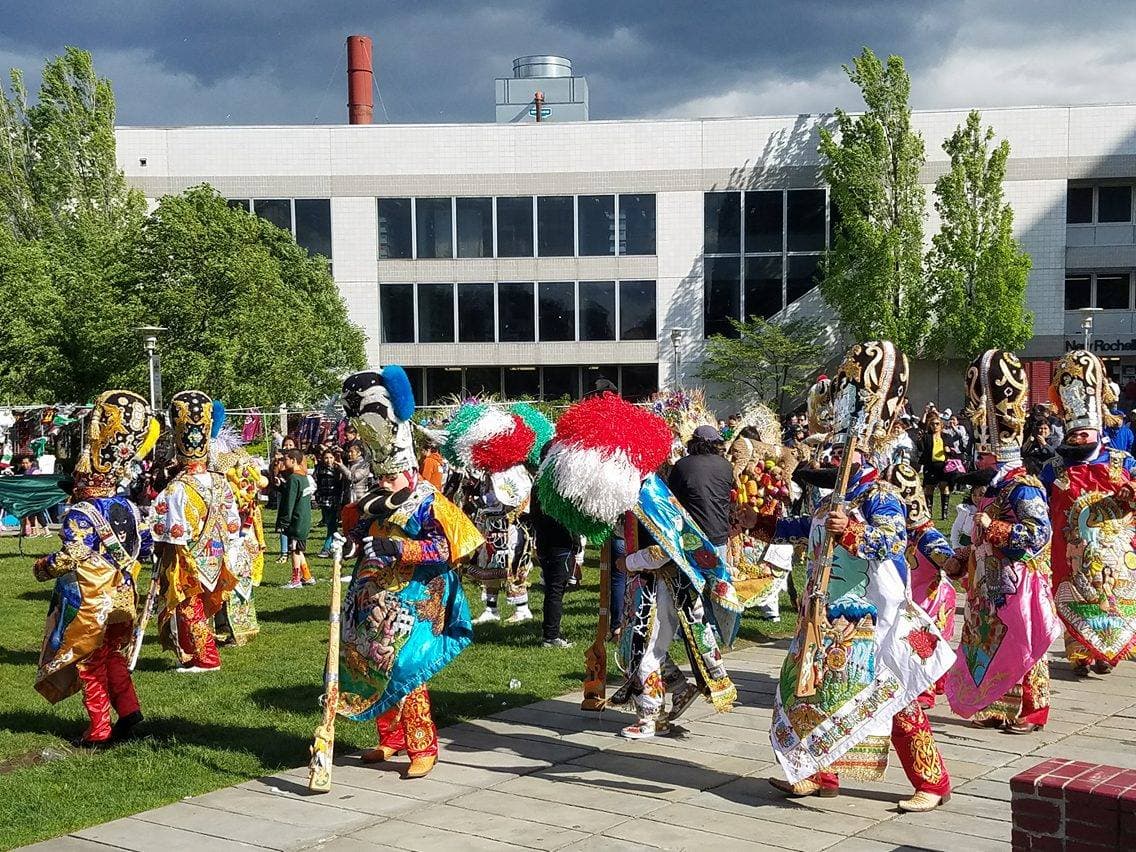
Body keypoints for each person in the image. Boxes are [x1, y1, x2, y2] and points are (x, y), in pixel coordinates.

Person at [763, 342, 954, 813]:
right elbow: (807, 532)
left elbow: (890, 541)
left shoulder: (881, 494)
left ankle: (932, 781)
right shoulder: (832, 497)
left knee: (895, 696)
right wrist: (763, 524)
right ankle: (815, 771)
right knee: (812, 692)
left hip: (875, 616)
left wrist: (852, 530)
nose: (829, 456)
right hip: (825, 615)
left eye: (837, 450)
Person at [336, 367, 484, 779]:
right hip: (370, 600)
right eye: (380, 475)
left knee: (405, 668)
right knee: (369, 664)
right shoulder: (373, 501)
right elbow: (358, 535)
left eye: (390, 474)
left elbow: (449, 547)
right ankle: (392, 739)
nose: (384, 480)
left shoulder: (426, 501)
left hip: (413, 601)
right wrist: (347, 545)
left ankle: (423, 744)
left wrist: (399, 547)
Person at [32, 391, 157, 746]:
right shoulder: (131, 509)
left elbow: (71, 555)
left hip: (92, 601)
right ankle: (130, 712)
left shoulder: (79, 513)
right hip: (124, 596)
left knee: (89, 664)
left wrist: (43, 568)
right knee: (112, 656)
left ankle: (99, 729)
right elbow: (145, 547)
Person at [944, 350, 1059, 733]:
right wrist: (963, 552)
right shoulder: (988, 489)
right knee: (986, 642)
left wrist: (994, 529)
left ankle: (1031, 709)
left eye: (986, 453)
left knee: (1023, 641)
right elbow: (979, 530)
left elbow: (1038, 535)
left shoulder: (1023, 488)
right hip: (987, 582)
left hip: (1018, 583)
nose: (980, 458)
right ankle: (996, 704)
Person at [1041, 350, 1136, 677]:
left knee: (1108, 596)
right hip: (1071, 552)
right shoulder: (1053, 467)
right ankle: (1080, 651)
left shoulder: (1122, 461)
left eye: (1084, 433)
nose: (1079, 438)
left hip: (1112, 552)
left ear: (1097, 430)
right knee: (1074, 593)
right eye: (1074, 434)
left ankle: (1108, 650)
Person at [152, 392, 242, 673]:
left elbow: (170, 529)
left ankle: (207, 658)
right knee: (198, 603)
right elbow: (233, 522)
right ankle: (192, 655)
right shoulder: (219, 481)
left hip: (186, 555)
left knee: (189, 605)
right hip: (216, 553)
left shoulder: (178, 487)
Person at [886, 463, 957, 708]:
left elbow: (946, 557)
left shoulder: (926, 535)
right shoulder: (893, 532)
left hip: (931, 599)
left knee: (923, 646)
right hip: (906, 597)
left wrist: (952, 562)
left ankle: (924, 691)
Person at [667, 425, 734, 560]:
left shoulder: (682, 465)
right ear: (715, 444)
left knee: (693, 579)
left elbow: (671, 497)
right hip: (719, 532)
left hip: (692, 535)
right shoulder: (726, 466)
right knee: (718, 579)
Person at [278, 448, 315, 588]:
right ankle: (307, 576)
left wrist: (285, 520)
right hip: (304, 519)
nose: (283, 462)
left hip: (296, 520)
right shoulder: (303, 477)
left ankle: (295, 580)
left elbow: (290, 501)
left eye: (285, 459)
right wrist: (281, 486)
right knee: (299, 549)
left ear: (293, 461)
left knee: (294, 550)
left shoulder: (293, 478)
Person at [918, 416, 952, 520]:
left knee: (944, 487)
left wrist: (948, 450)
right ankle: (929, 512)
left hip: (943, 465)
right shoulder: (927, 436)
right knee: (929, 488)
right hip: (930, 465)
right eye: (932, 424)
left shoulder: (946, 436)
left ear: (941, 425)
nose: (935, 426)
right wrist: (919, 440)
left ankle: (944, 514)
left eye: (937, 424)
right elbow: (921, 449)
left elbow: (952, 449)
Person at [315, 448, 346, 558]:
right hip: (324, 500)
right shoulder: (319, 469)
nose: (328, 460)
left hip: (334, 500)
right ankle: (334, 546)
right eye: (326, 458)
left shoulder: (337, 470)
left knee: (332, 525)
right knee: (330, 525)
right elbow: (317, 483)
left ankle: (326, 548)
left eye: (331, 458)